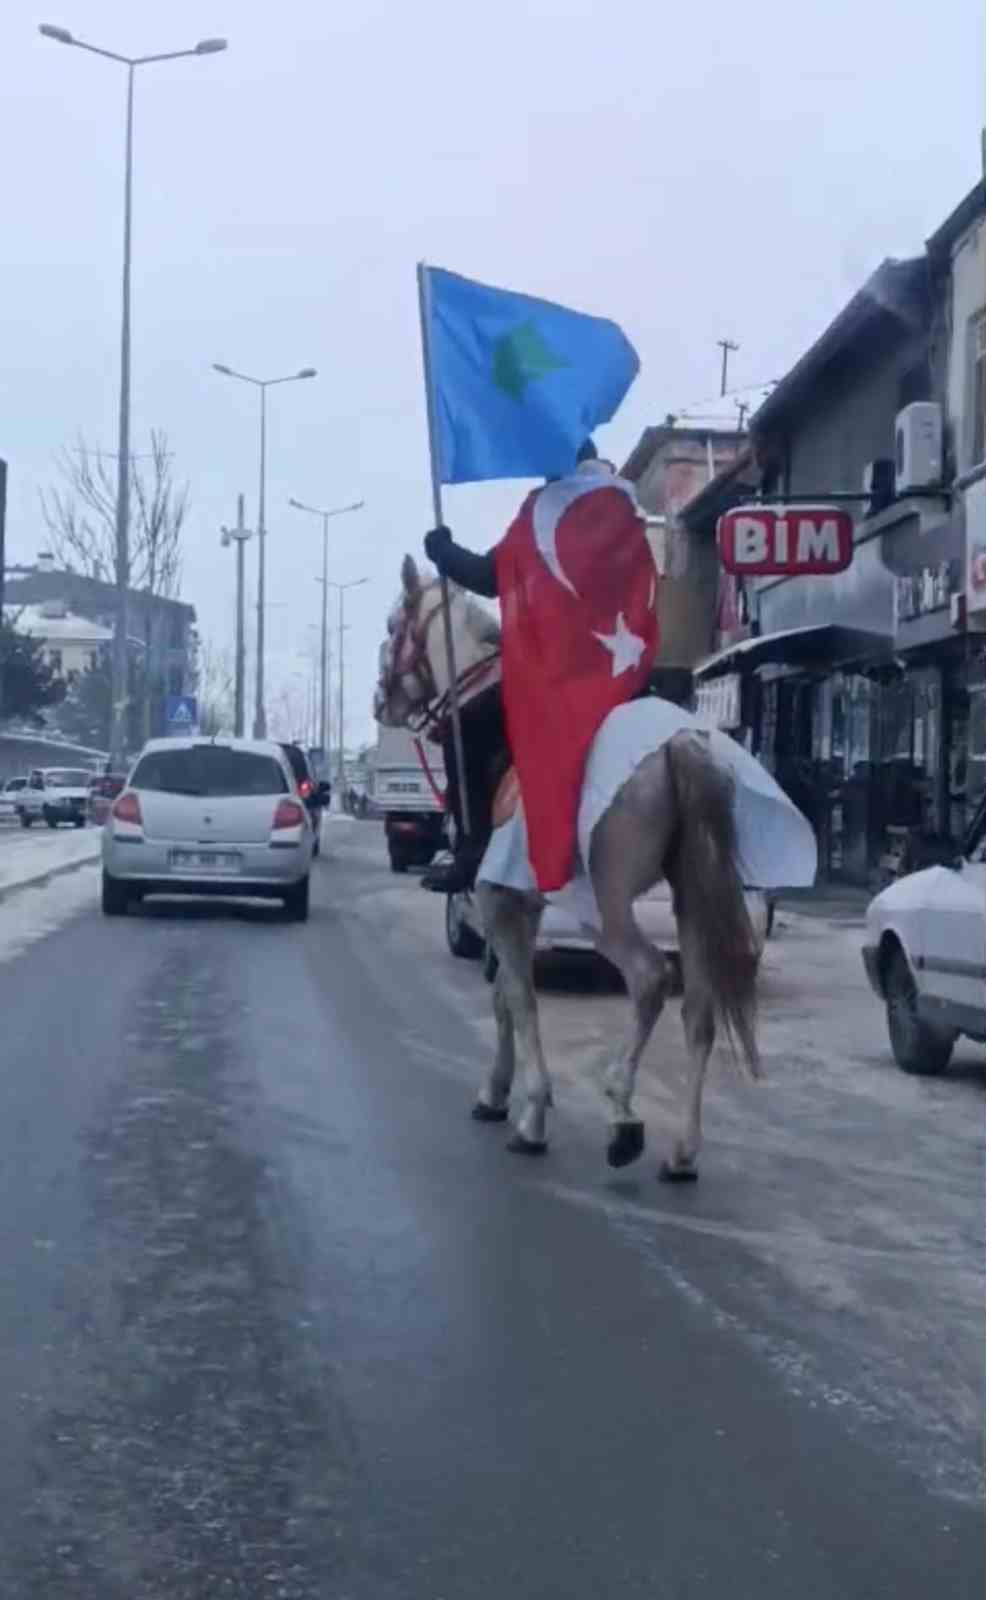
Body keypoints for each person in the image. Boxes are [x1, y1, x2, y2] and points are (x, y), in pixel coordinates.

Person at [421, 439, 658, 896]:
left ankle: (471, 850)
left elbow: (492, 577)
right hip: (626, 677)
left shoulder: (547, 511)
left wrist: (443, 551)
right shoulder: (624, 508)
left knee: (463, 731)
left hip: (560, 679)